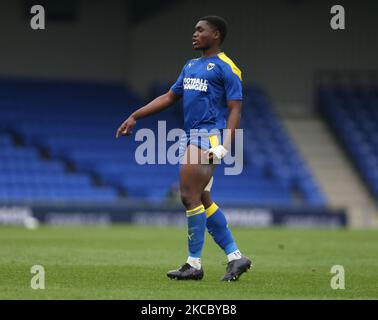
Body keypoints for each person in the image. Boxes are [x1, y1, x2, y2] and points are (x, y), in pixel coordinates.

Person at [116, 15, 252, 281]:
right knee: (201, 198)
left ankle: (194, 264)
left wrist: (225, 146)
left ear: (215, 35)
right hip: (192, 135)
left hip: (209, 137)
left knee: (188, 196)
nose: (194, 34)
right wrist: (136, 115)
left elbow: (236, 109)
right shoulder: (191, 65)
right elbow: (169, 97)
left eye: (200, 30)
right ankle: (236, 257)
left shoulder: (227, 67)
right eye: (194, 30)